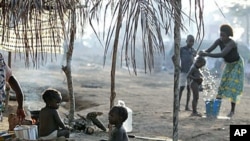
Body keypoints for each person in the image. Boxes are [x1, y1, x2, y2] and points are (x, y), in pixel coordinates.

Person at [199, 24, 244, 117]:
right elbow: (209, 50)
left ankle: (232, 111)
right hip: (228, 65)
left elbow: (222, 54)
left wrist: (206, 54)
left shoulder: (232, 43)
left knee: (233, 87)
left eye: (223, 35)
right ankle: (215, 110)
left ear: (228, 35)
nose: (221, 37)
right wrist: (201, 52)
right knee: (222, 86)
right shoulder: (219, 41)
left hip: (236, 65)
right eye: (221, 35)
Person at [172, 35, 196, 111]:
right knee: (182, 88)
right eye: (190, 41)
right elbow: (173, 57)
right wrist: (178, 66)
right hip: (183, 71)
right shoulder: (182, 49)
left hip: (191, 72)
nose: (191, 43)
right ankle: (177, 105)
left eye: (192, 41)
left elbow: (194, 60)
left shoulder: (193, 51)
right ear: (186, 41)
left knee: (189, 89)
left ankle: (187, 106)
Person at [0, 53, 25, 122]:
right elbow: (18, 92)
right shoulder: (2, 64)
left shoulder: (1, 63)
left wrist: (20, 107)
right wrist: (20, 107)